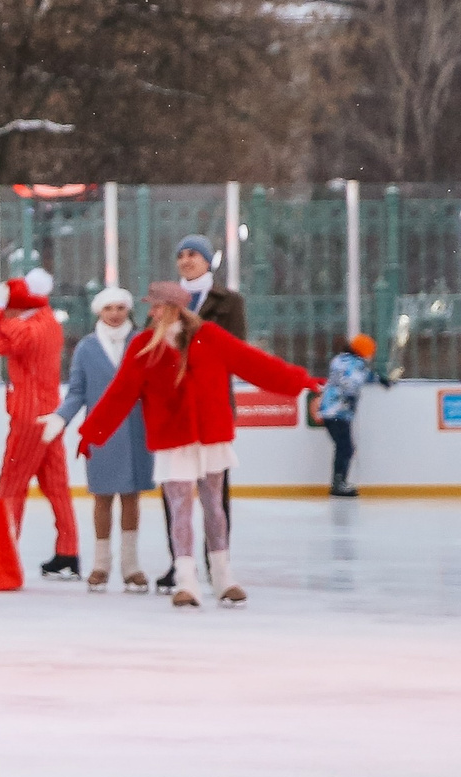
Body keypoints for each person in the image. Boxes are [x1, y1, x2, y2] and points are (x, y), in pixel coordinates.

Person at [79, 282, 318, 609]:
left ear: (174, 308)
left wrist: (300, 380)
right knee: (180, 509)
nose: (151, 312)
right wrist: (92, 432)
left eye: (157, 306)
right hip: (173, 438)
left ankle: (223, 576)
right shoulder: (144, 345)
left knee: (214, 508)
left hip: (210, 435)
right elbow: (121, 392)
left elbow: (254, 363)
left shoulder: (210, 336)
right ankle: (186, 580)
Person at [47, 286, 153, 590]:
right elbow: (78, 391)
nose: (115, 314)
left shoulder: (141, 342)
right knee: (103, 497)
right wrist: (60, 417)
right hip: (101, 433)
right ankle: (101, 564)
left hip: (135, 431)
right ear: (99, 312)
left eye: (120, 308)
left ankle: (131, 565)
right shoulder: (87, 348)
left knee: (132, 497)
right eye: (109, 309)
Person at [157, 233, 248, 589]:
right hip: (173, 407)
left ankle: (217, 561)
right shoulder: (166, 301)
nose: (186, 260)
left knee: (215, 490)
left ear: (208, 260)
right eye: (181, 255)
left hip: (211, 404)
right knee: (174, 490)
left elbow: (234, 349)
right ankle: (179, 562)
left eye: (193, 254)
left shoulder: (229, 301)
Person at [0, 269, 82, 581]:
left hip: (27, 415)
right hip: (50, 412)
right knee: (56, 485)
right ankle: (68, 550)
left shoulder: (27, 330)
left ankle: (3, 554)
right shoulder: (49, 321)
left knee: (11, 485)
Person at [317, 334, 387, 497]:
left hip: (328, 410)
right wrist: (380, 380)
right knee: (345, 448)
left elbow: (359, 375)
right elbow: (353, 380)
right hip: (339, 411)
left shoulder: (340, 360)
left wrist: (377, 379)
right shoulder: (356, 364)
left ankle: (338, 482)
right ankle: (338, 485)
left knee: (344, 447)